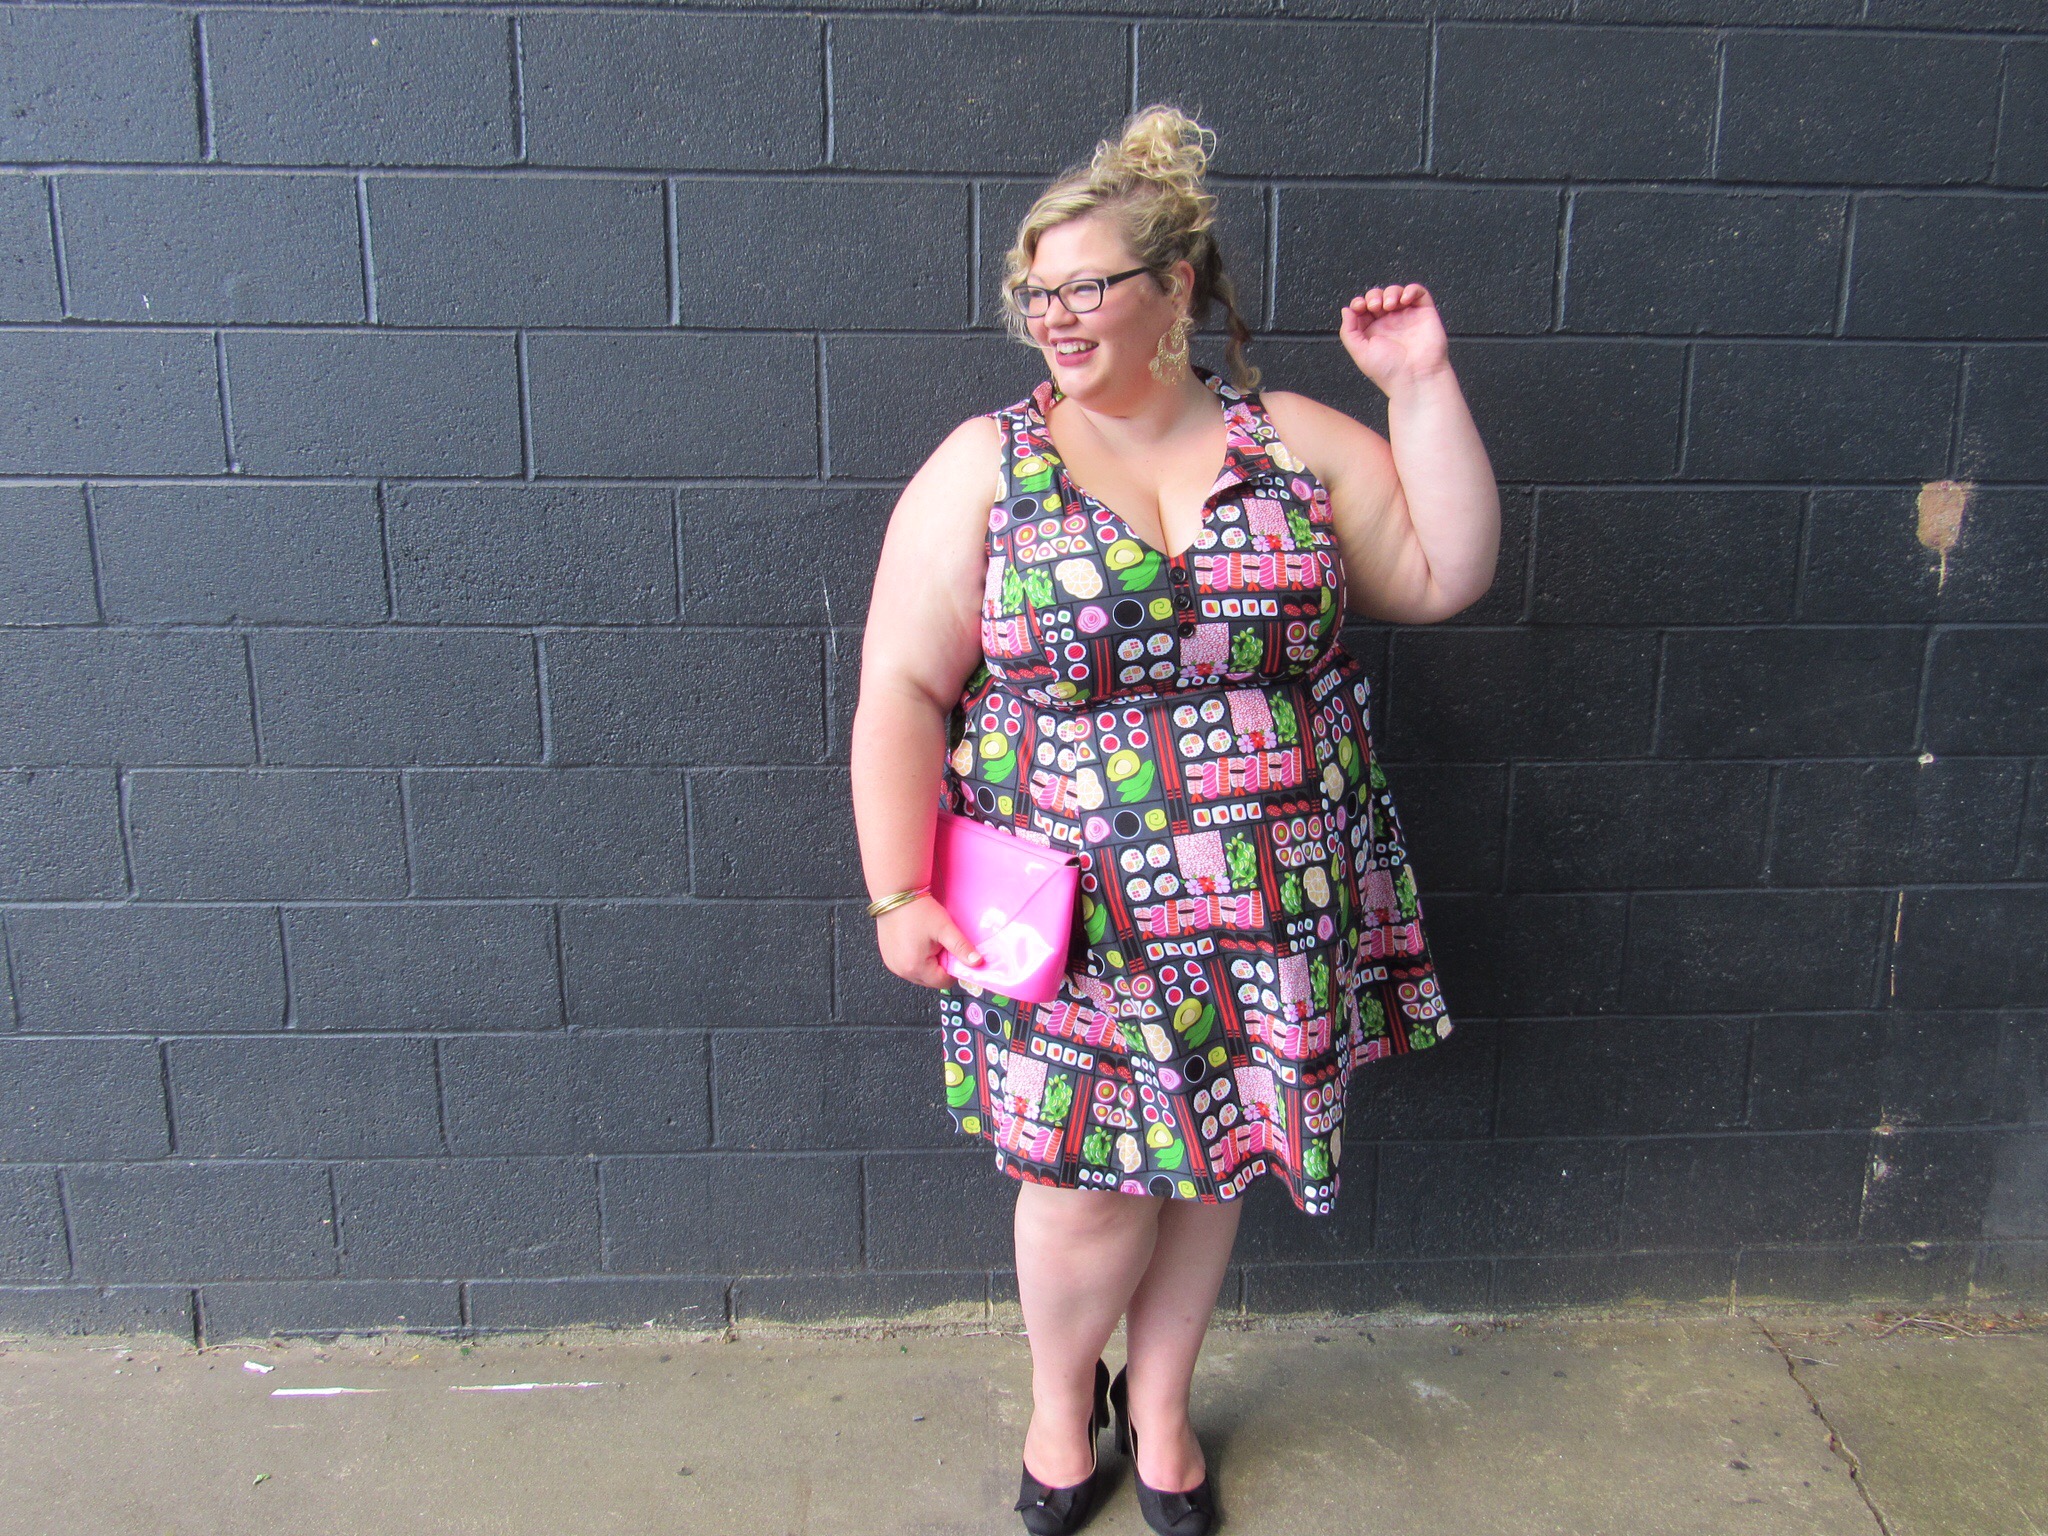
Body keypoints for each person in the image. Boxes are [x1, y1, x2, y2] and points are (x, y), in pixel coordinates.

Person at [849, 104, 1500, 1536]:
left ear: (1178, 289)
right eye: (1036, 291)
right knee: (1084, 1190)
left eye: (1086, 285)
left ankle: (1159, 1407)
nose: (1053, 315)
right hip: (1071, 925)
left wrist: (1423, 385)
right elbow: (900, 684)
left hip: (1269, 899)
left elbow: (1443, 571)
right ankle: (1057, 1398)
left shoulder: (1294, 441)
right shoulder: (986, 465)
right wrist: (898, 890)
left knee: (1218, 1165)